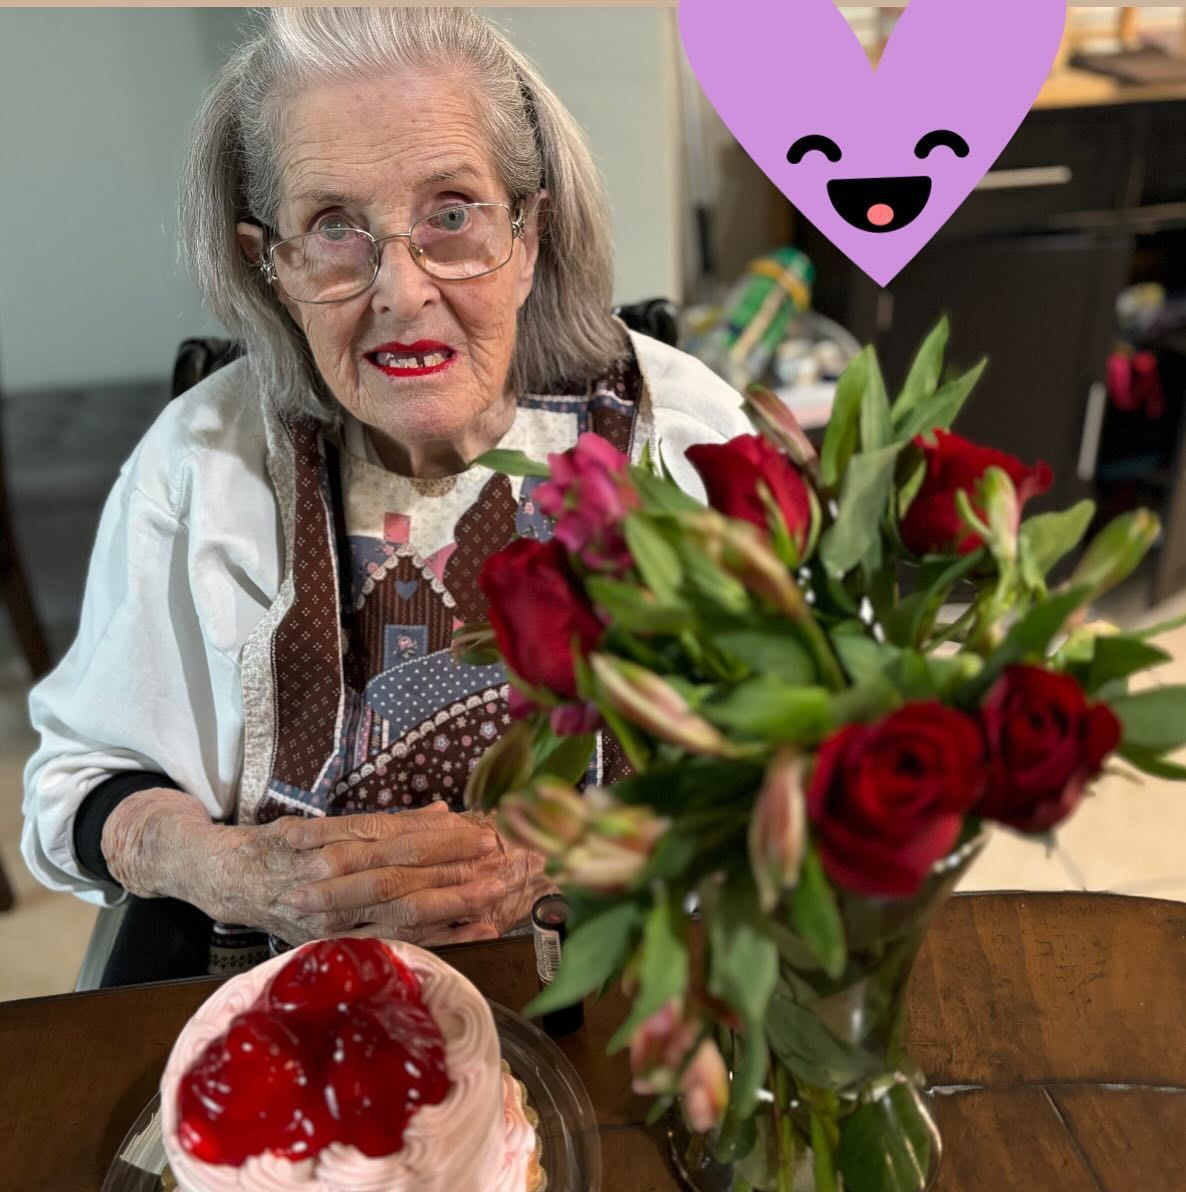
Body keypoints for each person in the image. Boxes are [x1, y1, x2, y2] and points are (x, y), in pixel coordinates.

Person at [20, 7, 751, 977]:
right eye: (333, 228)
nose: (401, 290)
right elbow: (77, 789)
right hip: (305, 1005)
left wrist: (583, 851)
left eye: (451, 212)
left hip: (637, 986)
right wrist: (239, 871)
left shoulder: (685, 430)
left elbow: (806, 743)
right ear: (268, 265)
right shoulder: (197, 463)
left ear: (528, 231)